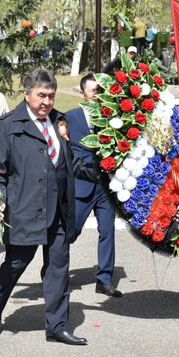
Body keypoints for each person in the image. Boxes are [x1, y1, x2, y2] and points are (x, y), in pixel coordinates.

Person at [0, 69, 86, 345]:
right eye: (41, 95)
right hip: (24, 209)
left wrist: (103, 169)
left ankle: (57, 326)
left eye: (51, 96)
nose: (47, 101)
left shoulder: (60, 121)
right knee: (15, 265)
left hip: (59, 212)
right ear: (26, 95)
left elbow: (70, 162)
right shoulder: (10, 125)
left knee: (58, 269)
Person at [65, 74, 121, 298]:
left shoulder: (113, 118)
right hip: (81, 185)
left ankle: (104, 279)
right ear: (82, 94)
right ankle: (55, 271)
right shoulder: (70, 118)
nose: (97, 95)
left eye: (100, 91)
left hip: (105, 188)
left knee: (107, 232)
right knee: (71, 232)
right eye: (92, 91)